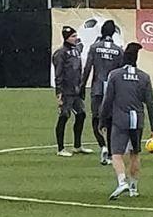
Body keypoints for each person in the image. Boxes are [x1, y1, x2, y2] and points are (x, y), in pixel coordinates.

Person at [100, 42, 153, 200]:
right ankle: (133, 187)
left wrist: (102, 121)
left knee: (116, 154)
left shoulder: (115, 75)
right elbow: (150, 103)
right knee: (135, 153)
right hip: (137, 120)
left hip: (120, 120)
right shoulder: (144, 77)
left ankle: (122, 182)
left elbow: (108, 100)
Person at [80, 20, 124, 165]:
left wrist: (81, 86)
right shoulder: (118, 50)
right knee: (110, 121)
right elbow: (120, 73)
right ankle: (111, 153)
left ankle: (102, 146)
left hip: (97, 88)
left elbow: (87, 68)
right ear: (113, 33)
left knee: (96, 119)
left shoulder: (94, 47)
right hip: (111, 91)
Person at [52, 26, 90, 157]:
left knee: (81, 114)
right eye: (73, 36)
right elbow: (58, 74)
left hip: (76, 90)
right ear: (67, 38)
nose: (76, 38)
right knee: (64, 116)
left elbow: (81, 46)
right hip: (66, 91)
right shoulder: (61, 53)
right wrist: (59, 92)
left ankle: (77, 145)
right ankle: (60, 148)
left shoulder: (75, 51)